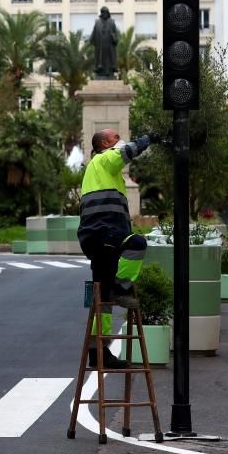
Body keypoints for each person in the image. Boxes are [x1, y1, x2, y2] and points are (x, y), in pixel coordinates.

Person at [78, 129, 154, 368]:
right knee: (137, 243)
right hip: (103, 233)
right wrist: (147, 139)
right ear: (104, 144)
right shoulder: (103, 159)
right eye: (115, 138)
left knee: (102, 299)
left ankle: (98, 353)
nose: (120, 140)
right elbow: (125, 151)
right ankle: (122, 288)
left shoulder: (104, 172)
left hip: (97, 237)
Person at [90, 6, 119, 79]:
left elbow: (115, 33)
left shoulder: (112, 22)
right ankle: (100, 72)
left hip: (109, 45)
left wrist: (114, 37)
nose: (104, 14)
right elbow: (94, 32)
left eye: (105, 12)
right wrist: (91, 39)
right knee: (100, 60)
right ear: (101, 13)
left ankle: (109, 73)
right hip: (100, 45)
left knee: (108, 60)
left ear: (108, 13)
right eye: (103, 12)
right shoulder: (97, 22)